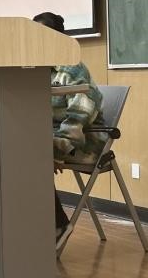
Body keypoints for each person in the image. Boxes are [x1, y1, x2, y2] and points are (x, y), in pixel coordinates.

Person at [31, 13, 106, 253]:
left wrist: (52, 150)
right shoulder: (35, 70)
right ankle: (30, 230)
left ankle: (58, 226)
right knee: (18, 155)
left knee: (29, 160)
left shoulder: (72, 69)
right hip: (50, 141)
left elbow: (79, 118)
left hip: (83, 142)